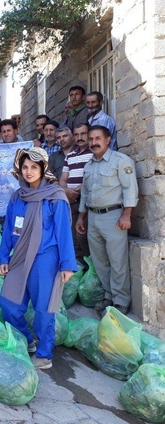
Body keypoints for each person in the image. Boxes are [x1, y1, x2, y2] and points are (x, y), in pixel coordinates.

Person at [0, 147, 76, 370]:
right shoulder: (17, 197)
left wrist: (67, 265)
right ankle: (28, 341)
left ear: (43, 168)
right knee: (8, 304)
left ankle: (44, 355)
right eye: (24, 167)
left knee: (44, 309)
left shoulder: (55, 197)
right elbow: (7, 230)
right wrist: (4, 257)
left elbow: (63, 232)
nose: (29, 171)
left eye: (34, 167)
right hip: (20, 258)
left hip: (45, 260)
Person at [76, 125, 138, 315]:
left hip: (114, 217)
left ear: (107, 139)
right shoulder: (89, 165)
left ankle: (121, 301)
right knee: (100, 261)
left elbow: (130, 189)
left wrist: (126, 214)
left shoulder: (121, 161)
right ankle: (109, 296)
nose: (94, 143)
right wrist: (81, 217)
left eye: (98, 139)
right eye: (91, 139)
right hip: (93, 218)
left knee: (117, 261)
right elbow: (85, 194)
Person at [59, 123, 92, 265]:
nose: (80, 137)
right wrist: (66, 191)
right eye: (77, 134)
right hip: (71, 201)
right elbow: (63, 179)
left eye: (83, 134)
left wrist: (76, 192)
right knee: (73, 236)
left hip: (86, 202)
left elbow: (91, 178)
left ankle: (89, 266)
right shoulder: (70, 156)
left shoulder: (94, 153)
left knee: (83, 236)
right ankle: (80, 268)